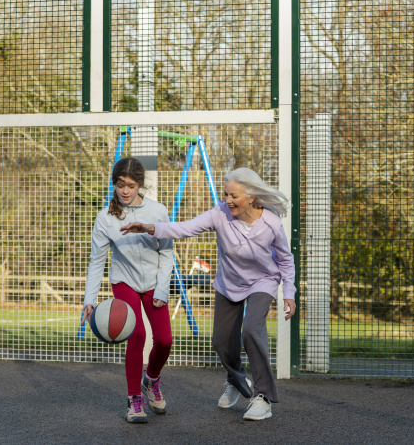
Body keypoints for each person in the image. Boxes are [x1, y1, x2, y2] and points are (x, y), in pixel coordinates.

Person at [120, 167, 296, 421]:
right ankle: (235, 380)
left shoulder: (271, 223)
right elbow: (185, 228)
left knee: (250, 330)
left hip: (263, 281)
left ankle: (263, 397)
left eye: (234, 196)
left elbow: (286, 260)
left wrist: (288, 292)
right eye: (226, 194)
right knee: (221, 342)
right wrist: (150, 228)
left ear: (251, 197)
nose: (227, 200)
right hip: (229, 282)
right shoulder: (219, 214)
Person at [81, 157, 174, 424]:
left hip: (155, 283)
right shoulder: (105, 218)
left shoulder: (158, 211)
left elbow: (167, 253)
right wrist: (90, 299)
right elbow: (97, 260)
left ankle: (152, 379)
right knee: (137, 335)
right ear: (114, 183)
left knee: (165, 341)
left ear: (140, 186)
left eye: (131, 186)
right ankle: (135, 399)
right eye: (120, 184)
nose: (125, 191)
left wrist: (162, 290)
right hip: (124, 282)